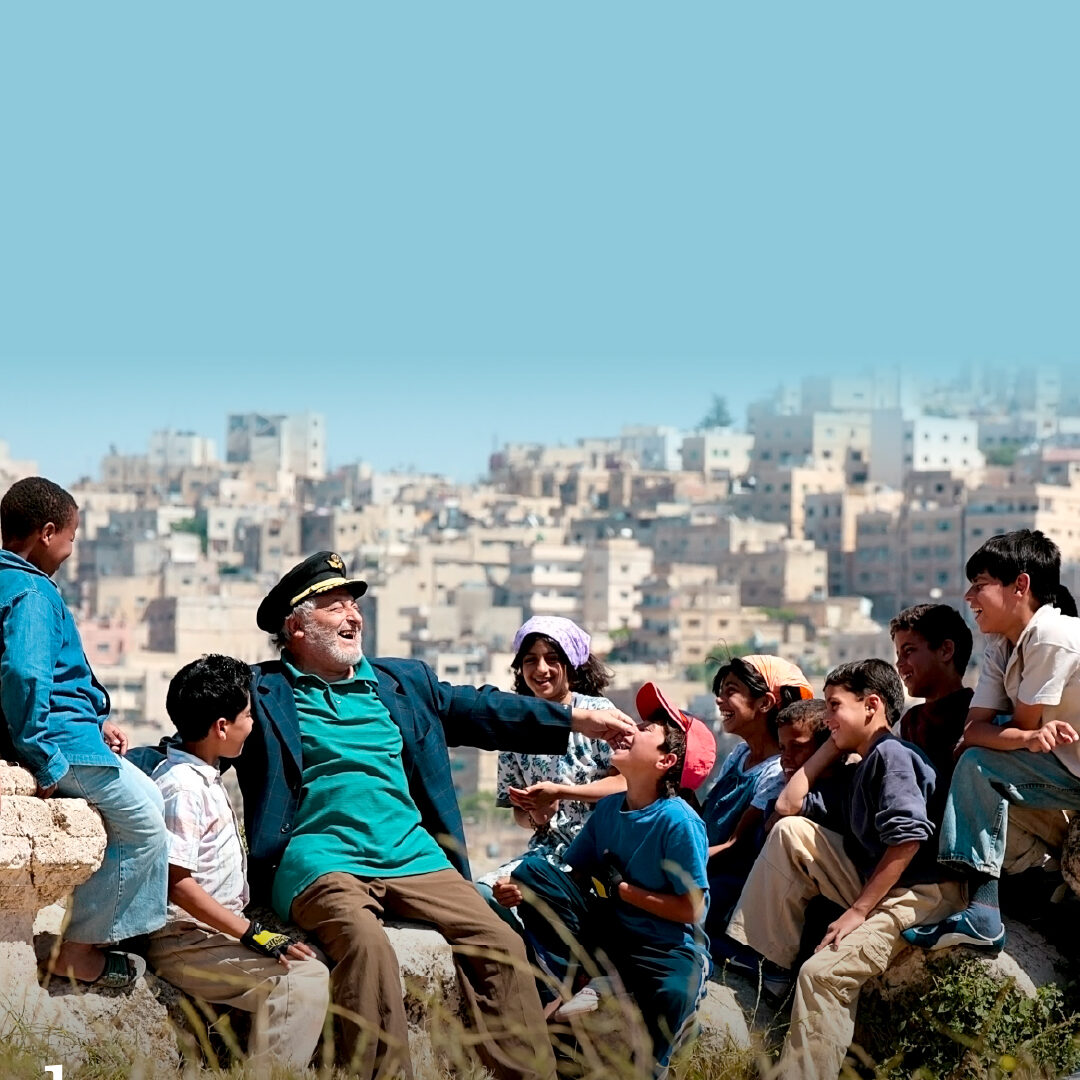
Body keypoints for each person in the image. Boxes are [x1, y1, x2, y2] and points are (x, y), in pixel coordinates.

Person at [235, 551, 636, 1080]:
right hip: (319, 858)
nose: (354, 617)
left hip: (411, 852)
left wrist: (575, 718)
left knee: (499, 940)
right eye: (335, 607)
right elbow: (193, 734)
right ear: (296, 627)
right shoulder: (260, 691)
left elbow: (482, 709)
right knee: (365, 945)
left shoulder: (402, 683)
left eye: (354, 605)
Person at [727, 659, 963, 1080]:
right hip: (884, 880)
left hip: (921, 891)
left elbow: (908, 839)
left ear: (871, 705)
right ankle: (772, 968)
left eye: (835, 706)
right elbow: (786, 807)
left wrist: (858, 911)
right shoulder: (861, 763)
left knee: (822, 975)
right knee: (792, 833)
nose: (827, 716)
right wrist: (832, 745)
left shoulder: (892, 755)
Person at [0, 477, 167, 988]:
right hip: (62, 744)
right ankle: (82, 952)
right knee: (145, 828)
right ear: (48, 533)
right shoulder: (30, 590)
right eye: (72, 537)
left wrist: (96, 719)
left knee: (151, 799)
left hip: (78, 733)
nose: (73, 550)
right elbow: (25, 674)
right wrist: (44, 756)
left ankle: (110, 930)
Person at [506, 682, 717, 1078]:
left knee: (675, 993)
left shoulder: (677, 820)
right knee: (533, 874)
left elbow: (693, 908)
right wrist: (521, 893)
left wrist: (624, 891)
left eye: (647, 730)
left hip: (662, 945)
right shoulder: (607, 810)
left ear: (666, 761)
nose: (633, 729)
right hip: (612, 930)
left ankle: (658, 1060)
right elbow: (575, 873)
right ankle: (575, 985)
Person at [147, 654, 330, 1071]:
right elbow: (177, 883)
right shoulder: (182, 788)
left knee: (310, 960)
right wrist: (255, 935)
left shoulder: (202, 776)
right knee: (300, 981)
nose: (254, 723)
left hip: (212, 936)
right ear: (222, 727)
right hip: (184, 942)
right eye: (248, 714)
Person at [904, 530, 1080, 953]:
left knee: (980, 767)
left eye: (980, 585)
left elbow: (1009, 731)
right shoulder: (1002, 643)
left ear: (1020, 586)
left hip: (1069, 771)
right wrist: (1022, 735)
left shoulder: (1052, 634)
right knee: (973, 762)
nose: (969, 596)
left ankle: (982, 910)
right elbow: (976, 729)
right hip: (1059, 768)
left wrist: (1019, 735)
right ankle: (994, 903)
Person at [483, 616, 624, 896]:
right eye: (531, 660)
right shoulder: (514, 726)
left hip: (599, 859)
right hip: (546, 856)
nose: (541, 669)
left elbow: (625, 783)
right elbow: (520, 815)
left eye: (551, 659)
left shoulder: (599, 713)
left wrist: (563, 792)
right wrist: (537, 815)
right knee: (487, 893)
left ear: (570, 664)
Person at [701, 655, 814, 931]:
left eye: (731, 691)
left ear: (764, 703)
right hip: (705, 863)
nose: (719, 700)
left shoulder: (775, 772)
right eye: (720, 692)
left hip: (726, 882)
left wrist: (682, 861)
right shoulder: (740, 753)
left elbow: (734, 847)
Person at [890, 603, 974, 784]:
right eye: (898, 655)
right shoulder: (909, 723)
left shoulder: (977, 716)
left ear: (946, 650)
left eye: (909, 651)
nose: (899, 663)